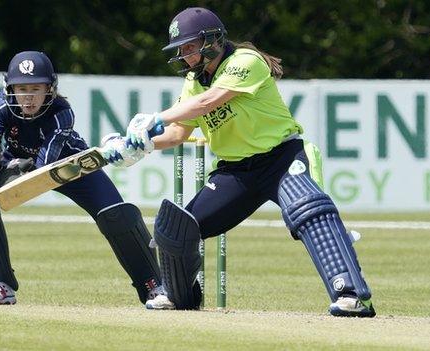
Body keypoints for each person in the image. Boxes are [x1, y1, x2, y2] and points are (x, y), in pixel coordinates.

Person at [110, 7, 376, 317]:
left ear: (213, 40)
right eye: (181, 50)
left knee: (309, 211)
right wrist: (142, 146)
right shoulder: (195, 81)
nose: (186, 56)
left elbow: (209, 102)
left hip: (281, 158)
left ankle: (352, 296)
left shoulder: (245, 62)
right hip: (236, 171)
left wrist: (156, 117)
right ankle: (179, 296)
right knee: (176, 231)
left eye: (190, 47)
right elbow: (179, 132)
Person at [0, 51, 164, 305]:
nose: (28, 97)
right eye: (21, 89)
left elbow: (44, 168)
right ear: (9, 88)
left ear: (50, 89)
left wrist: (11, 168)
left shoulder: (61, 112)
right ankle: (0, 286)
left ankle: (154, 285)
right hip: (17, 163)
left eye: (35, 88)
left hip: (71, 165)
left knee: (116, 213)